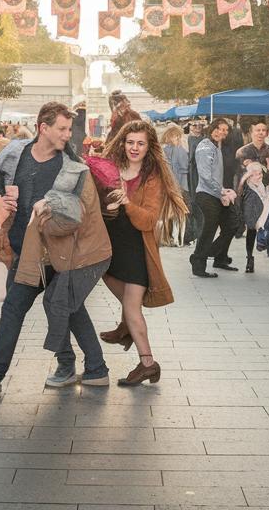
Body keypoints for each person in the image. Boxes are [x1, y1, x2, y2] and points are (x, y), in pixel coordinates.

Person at [0, 102, 111, 400]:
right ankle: (90, 368)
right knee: (50, 308)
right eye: (62, 129)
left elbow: (78, 211)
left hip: (58, 254)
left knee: (57, 307)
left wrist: (50, 206)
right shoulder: (15, 153)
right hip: (23, 252)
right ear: (43, 128)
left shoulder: (71, 163)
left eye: (68, 129)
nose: (67, 134)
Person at [90, 119, 186, 386]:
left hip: (136, 249)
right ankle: (127, 328)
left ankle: (147, 364)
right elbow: (97, 205)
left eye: (140, 143)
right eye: (130, 142)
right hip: (110, 246)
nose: (134, 147)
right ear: (122, 142)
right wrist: (108, 207)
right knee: (107, 277)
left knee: (133, 309)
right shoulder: (111, 167)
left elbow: (147, 220)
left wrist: (127, 202)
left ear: (149, 146)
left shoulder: (152, 177)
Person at [189, 118, 239, 277]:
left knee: (232, 224)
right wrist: (222, 192)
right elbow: (205, 176)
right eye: (219, 128)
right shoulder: (205, 147)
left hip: (217, 194)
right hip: (206, 196)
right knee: (207, 231)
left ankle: (212, 254)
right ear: (212, 128)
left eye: (225, 130)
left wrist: (223, 191)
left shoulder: (216, 146)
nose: (222, 132)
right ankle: (199, 265)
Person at [160, 125, 195, 246]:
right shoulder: (177, 149)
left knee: (173, 212)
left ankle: (172, 237)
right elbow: (185, 166)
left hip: (170, 186)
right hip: (179, 185)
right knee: (184, 212)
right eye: (176, 136)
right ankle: (183, 237)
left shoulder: (164, 150)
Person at [236, 161, 269, 273]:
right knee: (251, 234)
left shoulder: (264, 184)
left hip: (264, 216)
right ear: (249, 177)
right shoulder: (246, 188)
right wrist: (243, 179)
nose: (258, 176)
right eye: (255, 174)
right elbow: (239, 191)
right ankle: (249, 258)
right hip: (252, 216)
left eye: (260, 173)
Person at [184, 120, 206, 245]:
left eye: (200, 126)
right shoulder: (187, 139)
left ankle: (199, 231)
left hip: (200, 172)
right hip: (190, 173)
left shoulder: (204, 139)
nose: (197, 128)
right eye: (194, 125)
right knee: (192, 202)